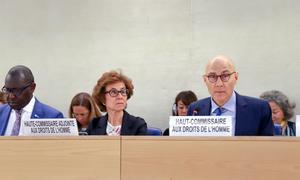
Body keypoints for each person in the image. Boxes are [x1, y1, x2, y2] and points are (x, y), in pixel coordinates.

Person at [187, 55, 273, 136]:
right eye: (212, 76)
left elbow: (268, 148)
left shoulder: (259, 109)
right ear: (205, 80)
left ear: (236, 77)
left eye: (225, 76)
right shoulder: (195, 110)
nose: (219, 84)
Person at [0, 65, 64, 136]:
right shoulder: (1, 112)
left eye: (17, 90)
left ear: (32, 87)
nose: (11, 96)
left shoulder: (52, 117)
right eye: (8, 90)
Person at [87, 70, 147, 135]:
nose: (120, 96)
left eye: (123, 91)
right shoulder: (94, 125)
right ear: (103, 99)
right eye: (113, 92)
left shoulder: (138, 125)